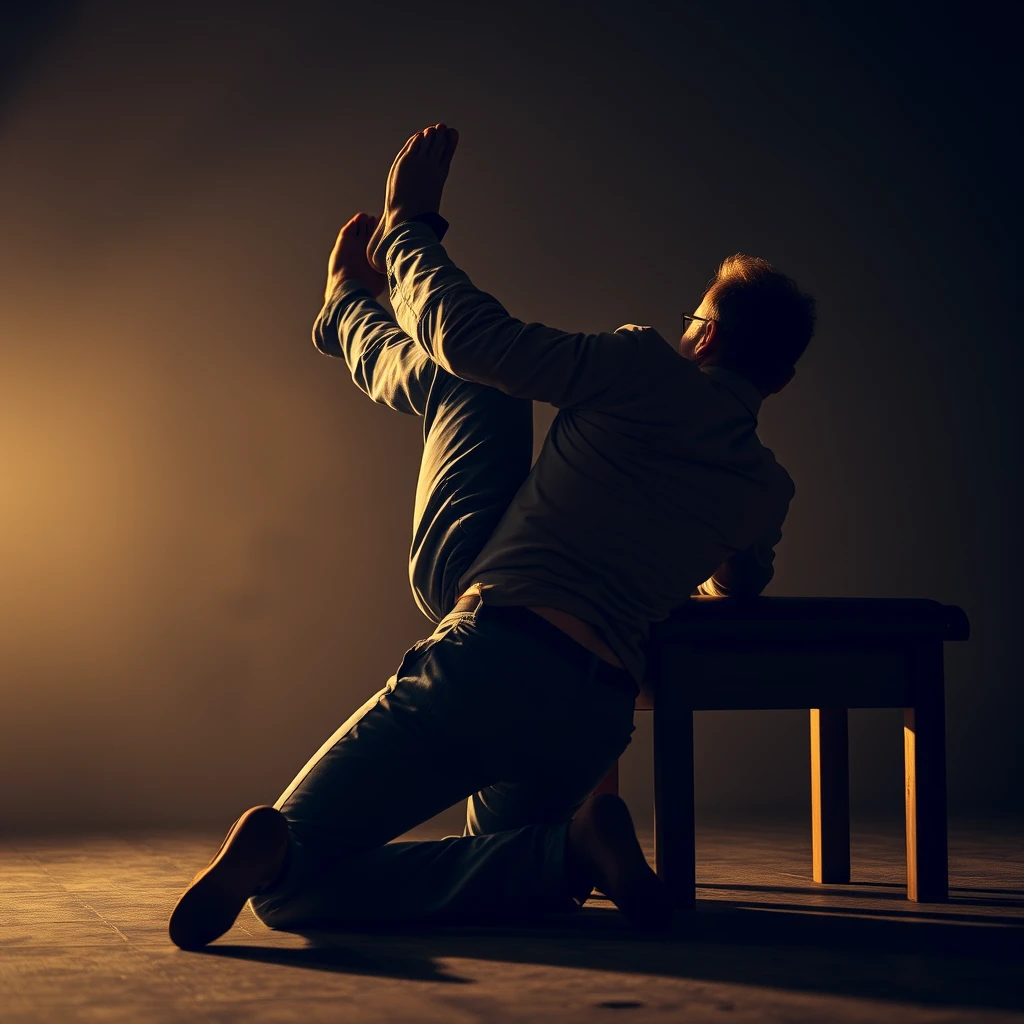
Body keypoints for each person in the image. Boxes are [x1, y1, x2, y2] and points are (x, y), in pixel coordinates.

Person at [168, 123, 816, 950]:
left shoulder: (644, 368)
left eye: (694, 318)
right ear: (783, 379)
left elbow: (472, 336)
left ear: (705, 337)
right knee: (510, 877)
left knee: (291, 883)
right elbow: (742, 584)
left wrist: (410, 226)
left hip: (493, 651)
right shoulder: (766, 488)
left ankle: (342, 317)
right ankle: (571, 852)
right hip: (597, 708)